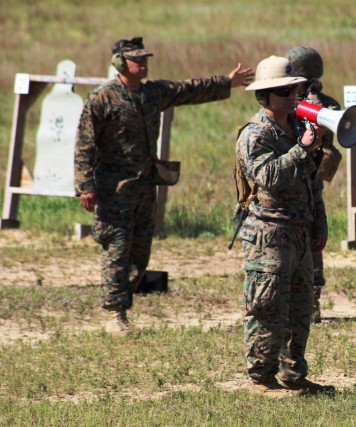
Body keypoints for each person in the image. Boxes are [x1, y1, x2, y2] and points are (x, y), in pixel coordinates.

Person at [74, 36, 254, 337]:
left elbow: (188, 89)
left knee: (140, 252)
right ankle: (113, 312)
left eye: (145, 59)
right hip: (112, 190)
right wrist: (85, 186)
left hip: (145, 188)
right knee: (116, 249)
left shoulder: (153, 93)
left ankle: (123, 306)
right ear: (120, 62)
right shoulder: (101, 99)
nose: (143, 64)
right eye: (136, 59)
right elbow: (84, 145)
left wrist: (228, 82)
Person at [237, 55, 334, 397]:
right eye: (282, 91)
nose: (292, 95)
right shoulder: (255, 135)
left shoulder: (297, 127)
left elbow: (311, 183)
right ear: (264, 97)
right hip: (268, 236)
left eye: (293, 88)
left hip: (299, 232)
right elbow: (268, 177)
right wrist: (301, 149)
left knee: (299, 307)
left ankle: (293, 375)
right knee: (267, 307)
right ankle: (261, 380)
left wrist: (319, 222)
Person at [285, 46, 342, 323]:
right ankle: (312, 302)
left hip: (299, 177)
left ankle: (307, 302)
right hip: (311, 182)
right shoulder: (327, 102)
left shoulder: (301, 102)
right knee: (314, 239)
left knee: (309, 241)